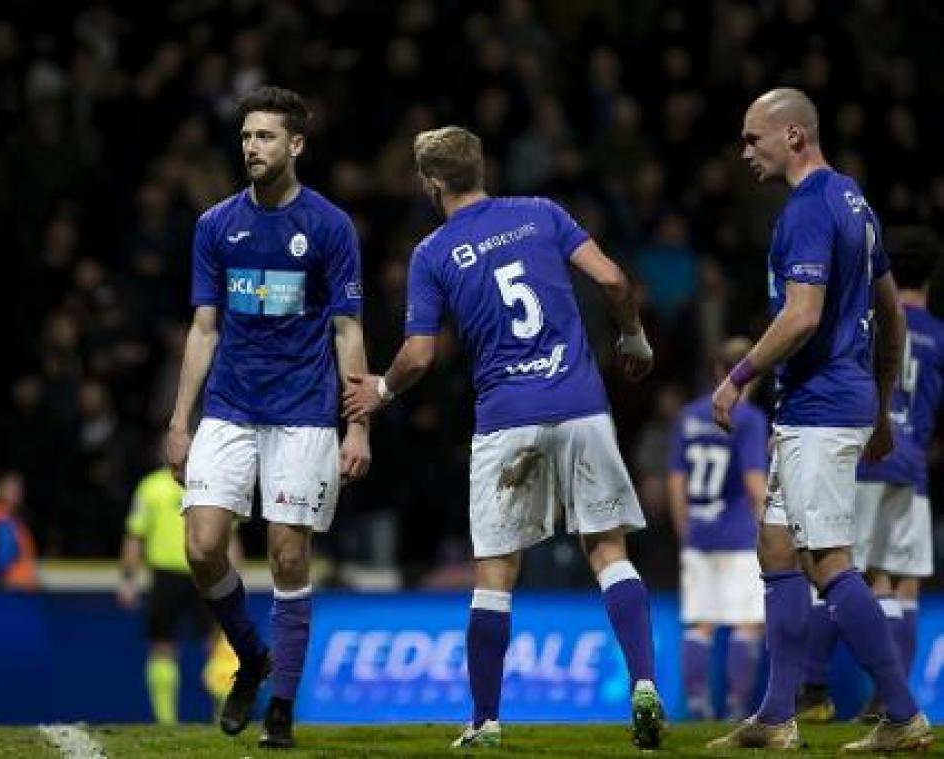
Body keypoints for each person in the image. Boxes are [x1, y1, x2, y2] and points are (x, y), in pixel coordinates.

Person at [343, 125, 667, 750]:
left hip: (506, 417)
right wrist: (631, 334)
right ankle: (645, 683)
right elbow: (614, 282)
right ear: (483, 168)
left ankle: (486, 722)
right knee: (608, 551)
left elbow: (418, 355)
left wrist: (380, 391)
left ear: (431, 184)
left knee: (495, 572)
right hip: (580, 406)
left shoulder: (433, 252)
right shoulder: (541, 213)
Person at [707, 88, 932, 752]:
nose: (745, 150)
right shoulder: (854, 200)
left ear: (795, 136)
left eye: (755, 138)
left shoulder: (807, 209)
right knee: (776, 548)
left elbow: (802, 315)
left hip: (820, 406)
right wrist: (884, 405)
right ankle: (778, 715)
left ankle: (902, 711)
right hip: (834, 402)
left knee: (827, 557)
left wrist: (737, 376)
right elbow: (890, 315)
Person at [166, 85, 371, 750]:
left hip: (304, 412)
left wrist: (359, 422)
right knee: (200, 545)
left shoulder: (331, 227)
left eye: (266, 137)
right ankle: (251, 655)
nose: (252, 147)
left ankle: (281, 705)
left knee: (287, 552)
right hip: (230, 404)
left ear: (296, 145)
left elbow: (347, 330)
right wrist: (179, 419)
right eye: (247, 136)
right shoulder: (216, 225)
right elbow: (203, 327)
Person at [797, 227, 944, 722]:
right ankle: (889, 700)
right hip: (911, 465)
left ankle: (813, 687)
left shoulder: (869, 323)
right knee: (900, 585)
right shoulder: (940, 336)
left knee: (841, 570)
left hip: (863, 457)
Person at [668, 337, 767, 721]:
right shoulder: (749, 419)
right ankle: (737, 710)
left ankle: (697, 709)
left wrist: (684, 531)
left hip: (699, 533)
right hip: (741, 535)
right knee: (747, 623)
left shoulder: (688, 416)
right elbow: (754, 481)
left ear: (714, 368)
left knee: (700, 623)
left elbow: (676, 481)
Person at [117, 459, 243, 725]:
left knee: (218, 646)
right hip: (166, 576)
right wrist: (128, 578)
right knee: (163, 646)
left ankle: (222, 716)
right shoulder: (151, 487)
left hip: (208, 575)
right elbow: (134, 534)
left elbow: (229, 537)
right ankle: (165, 720)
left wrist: (234, 580)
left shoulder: (213, 484)